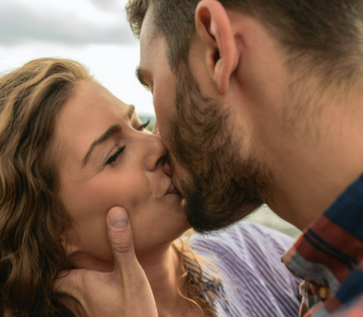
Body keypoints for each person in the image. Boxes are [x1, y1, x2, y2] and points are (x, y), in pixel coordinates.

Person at [0, 58, 301, 317]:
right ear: (49, 229)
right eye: (113, 155)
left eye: (138, 124)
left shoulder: (258, 254)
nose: (159, 145)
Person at [59, 0, 363, 316]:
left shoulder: (262, 257)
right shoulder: (323, 278)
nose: (158, 139)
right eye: (116, 154)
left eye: (152, 85)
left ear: (217, 48)